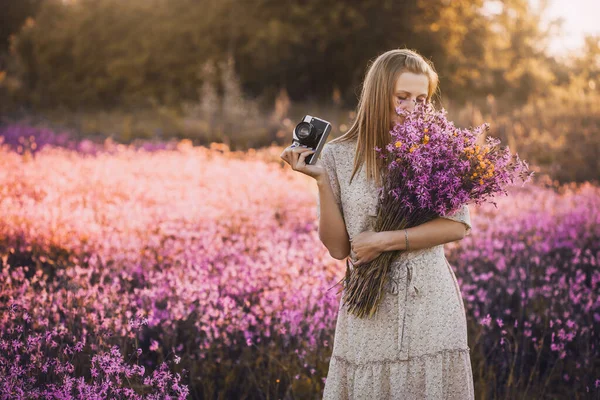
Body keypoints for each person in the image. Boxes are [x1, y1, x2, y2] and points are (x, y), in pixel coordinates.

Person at [280, 48, 475, 399]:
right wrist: (322, 181)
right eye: (402, 97)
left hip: (430, 306)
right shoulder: (338, 155)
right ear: (377, 95)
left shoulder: (438, 151)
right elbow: (339, 248)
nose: (412, 108)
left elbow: (457, 226)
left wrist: (385, 241)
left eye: (421, 98)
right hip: (368, 312)